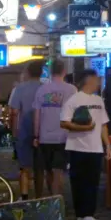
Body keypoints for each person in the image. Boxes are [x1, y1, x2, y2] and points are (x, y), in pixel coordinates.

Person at [60, 69, 111, 220]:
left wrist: (107, 144)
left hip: (95, 148)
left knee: (92, 182)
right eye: (96, 80)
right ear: (88, 80)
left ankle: (89, 214)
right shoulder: (73, 100)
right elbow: (64, 122)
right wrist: (83, 128)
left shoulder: (99, 100)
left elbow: (103, 124)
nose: (98, 83)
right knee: (78, 182)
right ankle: (81, 214)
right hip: (77, 148)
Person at [32, 59, 77, 198]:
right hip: (63, 136)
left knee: (49, 171)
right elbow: (76, 113)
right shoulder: (71, 90)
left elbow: (37, 114)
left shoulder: (42, 89)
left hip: (45, 137)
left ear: (50, 72)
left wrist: (36, 136)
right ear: (64, 71)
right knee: (58, 171)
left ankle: (52, 199)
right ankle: (57, 202)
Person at [8, 61, 44, 201]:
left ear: (27, 73)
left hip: (23, 131)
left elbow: (14, 112)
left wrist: (13, 131)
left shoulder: (20, 89)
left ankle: (24, 196)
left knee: (24, 167)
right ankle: (40, 197)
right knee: (39, 167)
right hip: (42, 132)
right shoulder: (45, 88)